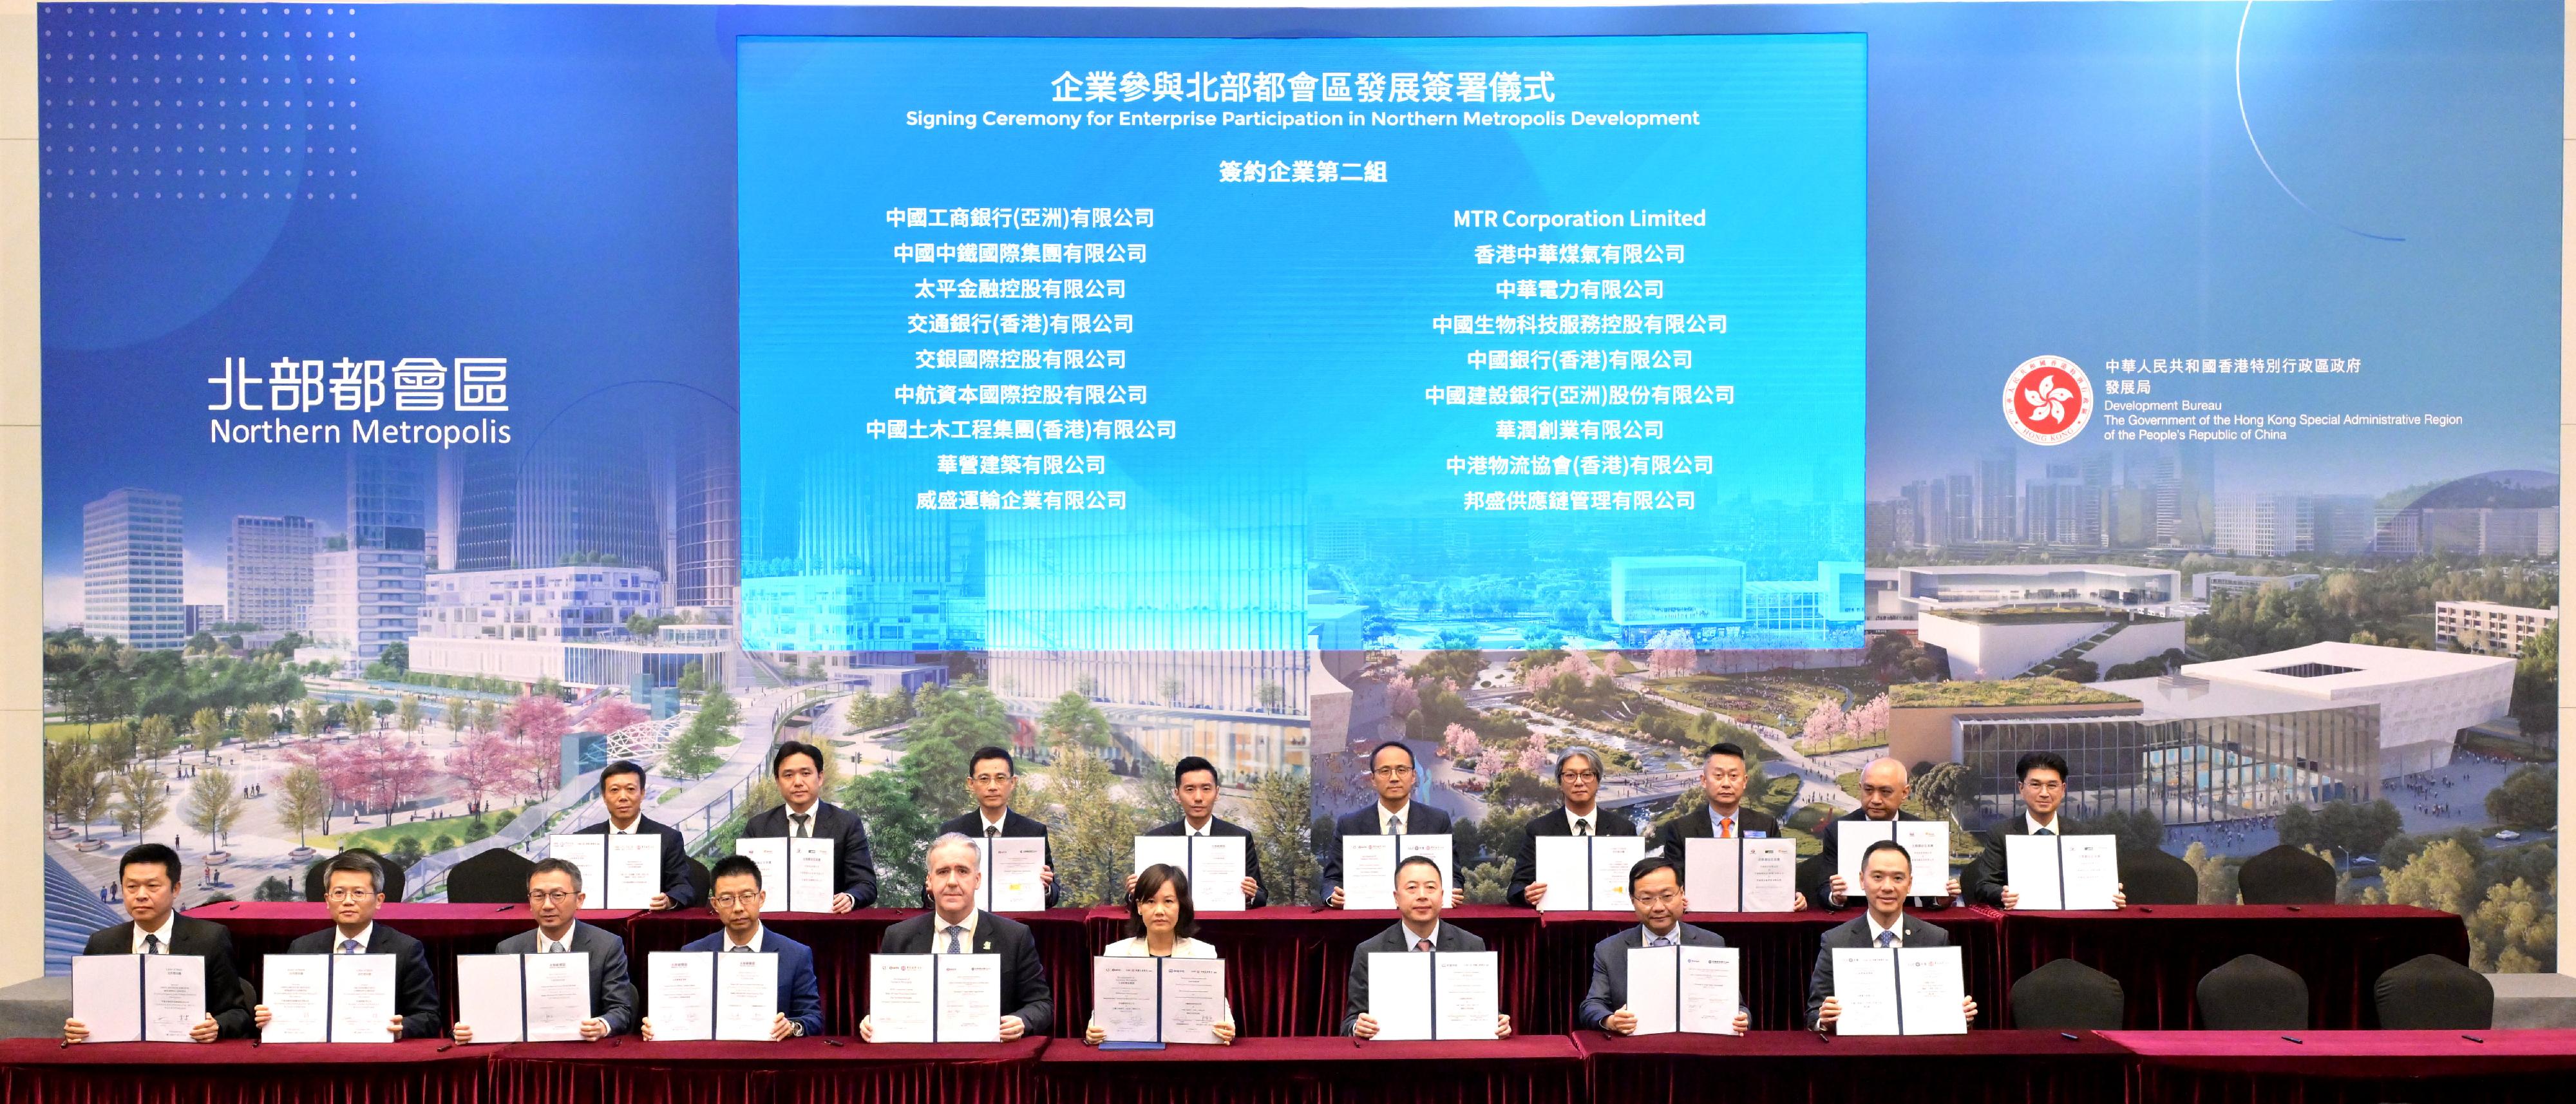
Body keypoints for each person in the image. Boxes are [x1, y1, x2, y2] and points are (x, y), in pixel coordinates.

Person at [863, 833, 1055, 1041]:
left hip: (988, 1060)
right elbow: (881, 1005)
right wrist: (872, 1020)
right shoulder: (898, 937)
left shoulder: (1014, 937)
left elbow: (1042, 1004)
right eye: (943, 872)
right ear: (929, 880)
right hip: (922, 1061)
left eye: (962, 871)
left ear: (977, 879)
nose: (952, 882)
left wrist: (1022, 1021)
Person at [64, 843, 254, 1042]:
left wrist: (216, 1026)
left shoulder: (210, 939)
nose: (141, 895)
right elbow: (89, 1013)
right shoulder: (102, 944)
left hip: (187, 1058)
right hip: (123, 1059)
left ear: (176, 889)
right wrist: (78, 1028)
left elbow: (237, 1013)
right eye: (131, 887)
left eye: (152, 886)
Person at [256, 852, 442, 1040]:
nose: (348, 901)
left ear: (379, 901)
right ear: (327, 900)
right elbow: (290, 1007)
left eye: (358, 893)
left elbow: (429, 1017)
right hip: (317, 1055)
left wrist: (401, 1027)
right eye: (339, 893)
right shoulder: (303, 948)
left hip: (379, 1057)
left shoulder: (406, 949)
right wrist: (272, 1017)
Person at [451, 858, 637, 1042]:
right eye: (538, 896)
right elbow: (497, 1010)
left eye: (558, 895)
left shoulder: (607, 945)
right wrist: (467, 1029)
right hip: (526, 1054)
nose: (547, 905)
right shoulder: (510, 948)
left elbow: (621, 1009)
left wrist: (602, 1025)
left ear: (579, 900)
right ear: (530, 902)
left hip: (584, 1049)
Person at [644, 855, 824, 1040]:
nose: (738, 908)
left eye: (747, 897)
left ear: (761, 898)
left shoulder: (796, 954)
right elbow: (680, 1013)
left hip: (770, 1058)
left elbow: (813, 1018)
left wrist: (791, 1027)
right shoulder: (693, 954)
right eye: (727, 899)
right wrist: (657, 1026)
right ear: (715, 904)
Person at [1806, 841, 1980, 1032]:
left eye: (1898, 878)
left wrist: (1961, 1017)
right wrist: (1823, 1020)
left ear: (1910, 884)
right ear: (1862, 880)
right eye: (1878, 877)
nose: (1888, 887)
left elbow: (1948, 1009)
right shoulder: (1835, 941)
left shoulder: (1936, 938)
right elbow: (1813, 1013)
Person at [1341, 855, 1512, 1040]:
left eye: (1430, 887)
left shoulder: (1471, 945)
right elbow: (1350, 1022)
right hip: (1395, 1058)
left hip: (1454, 1057)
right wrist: (1358, 1026)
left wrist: (1498, 1024)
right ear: (1396, 898)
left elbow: (1488, 1013)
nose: (1422, 895)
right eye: (1412, 888)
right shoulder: (1369, 951)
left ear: (1442, 896)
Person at [1578, 856, 1748, 1035]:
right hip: (1637, 1051)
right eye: (1647, 899)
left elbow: (1739, 1008)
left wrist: (1741, 1019)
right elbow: (1592, 1005)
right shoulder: (1610, 949)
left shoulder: (1711, 943)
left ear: (1682, 893)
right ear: (1632, 900)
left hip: (1696, 1047)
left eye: (1667, 896)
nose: (1658, 907)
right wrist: (1611, 1020)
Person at [1084, 863, 1235, 1045]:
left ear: (1181, 906)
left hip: (1186, 1053)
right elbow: (1101, 1019)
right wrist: (1093, 1031)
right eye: (1150, 901)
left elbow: (1223, 1017)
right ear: (1139, 907)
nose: (1160, 911)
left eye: (1169, 901)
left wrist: (1227, 1030)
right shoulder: (1116, 953)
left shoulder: (1204, 953)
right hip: (1134, 1053)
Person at [1647, 743, 1808, 911]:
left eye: (1733, 776)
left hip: (1752, 922)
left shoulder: (1766, 825)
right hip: (1699, 921)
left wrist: (1793, 896)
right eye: (1718, 776)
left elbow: (1778, 875)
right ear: (1704, 781)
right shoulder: (1680, 829)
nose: (1726, 784)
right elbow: (1672, 882)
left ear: (1745, 781)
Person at [1960, 751, 2127, 909]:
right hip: (2022, 924)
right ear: (2021, 788)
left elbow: (2096, 885)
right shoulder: (2001, 833)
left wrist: (2109, 892)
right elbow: (1984, 886)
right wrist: (2002, 895)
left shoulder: (2084, 833)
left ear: (2063, 790)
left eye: (2052, 785)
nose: (2044, 793)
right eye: (2036, 785)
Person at [1320, 741, 1464, 908]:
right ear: (1373, 779)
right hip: (1367, 921)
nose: (1394, 778)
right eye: (1385, 771)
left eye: (1402, 770)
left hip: (1422, 917)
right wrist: (1333, 896)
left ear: (1414, 776)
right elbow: (1331, 880)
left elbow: (1454, 877)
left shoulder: (1438, 821)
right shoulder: (1349, 825)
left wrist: (1453, 891)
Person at [1804, 758, 1961, 910]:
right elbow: (1824, 889)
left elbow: (1929, 895)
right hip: (1853, 922)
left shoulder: (1922, 831)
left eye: (1885, 792)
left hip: (1904, 921)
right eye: (1868, 790)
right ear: (1861, 788)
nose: (1876, 800)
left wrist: (1940, 898)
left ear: (1905, 793)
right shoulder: (1837, 830)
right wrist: (1835, 896)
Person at [739, 741, 879, 910]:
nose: (798, 782)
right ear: (778, 781)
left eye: (806, 773)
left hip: (830, 925)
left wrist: (850, 898)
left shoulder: (847, 824)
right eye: (788, 775)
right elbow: (741, 881)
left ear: (820, 778)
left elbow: (866, 884)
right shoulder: (758, 827)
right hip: (772, 926)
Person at [1507, 746, 1638, 908]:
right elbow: (1516, 887)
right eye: (1570, 775)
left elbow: (1640, 884)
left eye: (1587, 775)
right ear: (1560, 782)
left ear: (1598, 780)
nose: (1579, 782)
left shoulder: (1624, 830)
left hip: (1610, 925)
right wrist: (1526, 894)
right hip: (1556, 926)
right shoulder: (1539, 830)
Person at [1128, 755, 1266, 908]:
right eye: (1190, 789)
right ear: (1177, 794)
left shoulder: (1240, 837)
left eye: (1206, 789)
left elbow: (1261, 895)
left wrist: (1250, 895)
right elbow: (1136, 900)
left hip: (1222, 925)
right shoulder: (1156, 839)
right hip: (1174, 927)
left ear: (1217, 792)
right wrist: (1134, 892)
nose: (1198, 797)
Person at [933, 747, 1059, 908]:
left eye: (1000, 778)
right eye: (984, 779)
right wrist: (932, 892)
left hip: (1016, 925)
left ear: (1013, 783)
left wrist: (1046, 889)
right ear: (971, 783)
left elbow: (1054, 892)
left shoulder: (1034, 832)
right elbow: (928, 894)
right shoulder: (952, 832)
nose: (992, 786)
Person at [568, 759, 697, 910]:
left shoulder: (668, 838)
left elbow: (683, 887)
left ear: (642, 793)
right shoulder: (581, 840)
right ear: (604, 796)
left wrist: (668, 900)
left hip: (645, 924)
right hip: (594, 923)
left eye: (630, 789)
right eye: (615, 790)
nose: (623, 797)